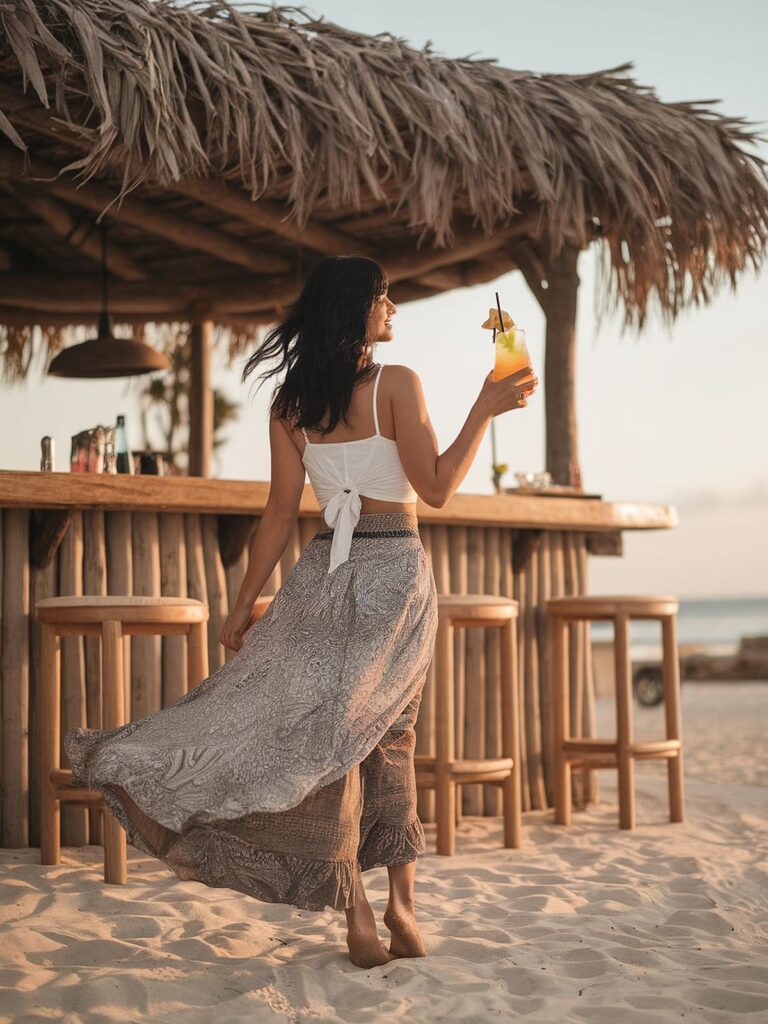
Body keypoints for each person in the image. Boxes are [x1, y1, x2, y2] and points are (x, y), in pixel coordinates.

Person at [64, 255, 537, 970]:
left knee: (330, 738)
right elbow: (436, 488)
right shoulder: (397, 385)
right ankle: (401, 909)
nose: (394, 312)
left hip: (321, 573)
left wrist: (241, 602)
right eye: (384, 300)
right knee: (388, 736)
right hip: (392, 572)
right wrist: (484, 405)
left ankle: (358, 916)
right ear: (357, 310)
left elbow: (280, 512)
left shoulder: (289, 405)